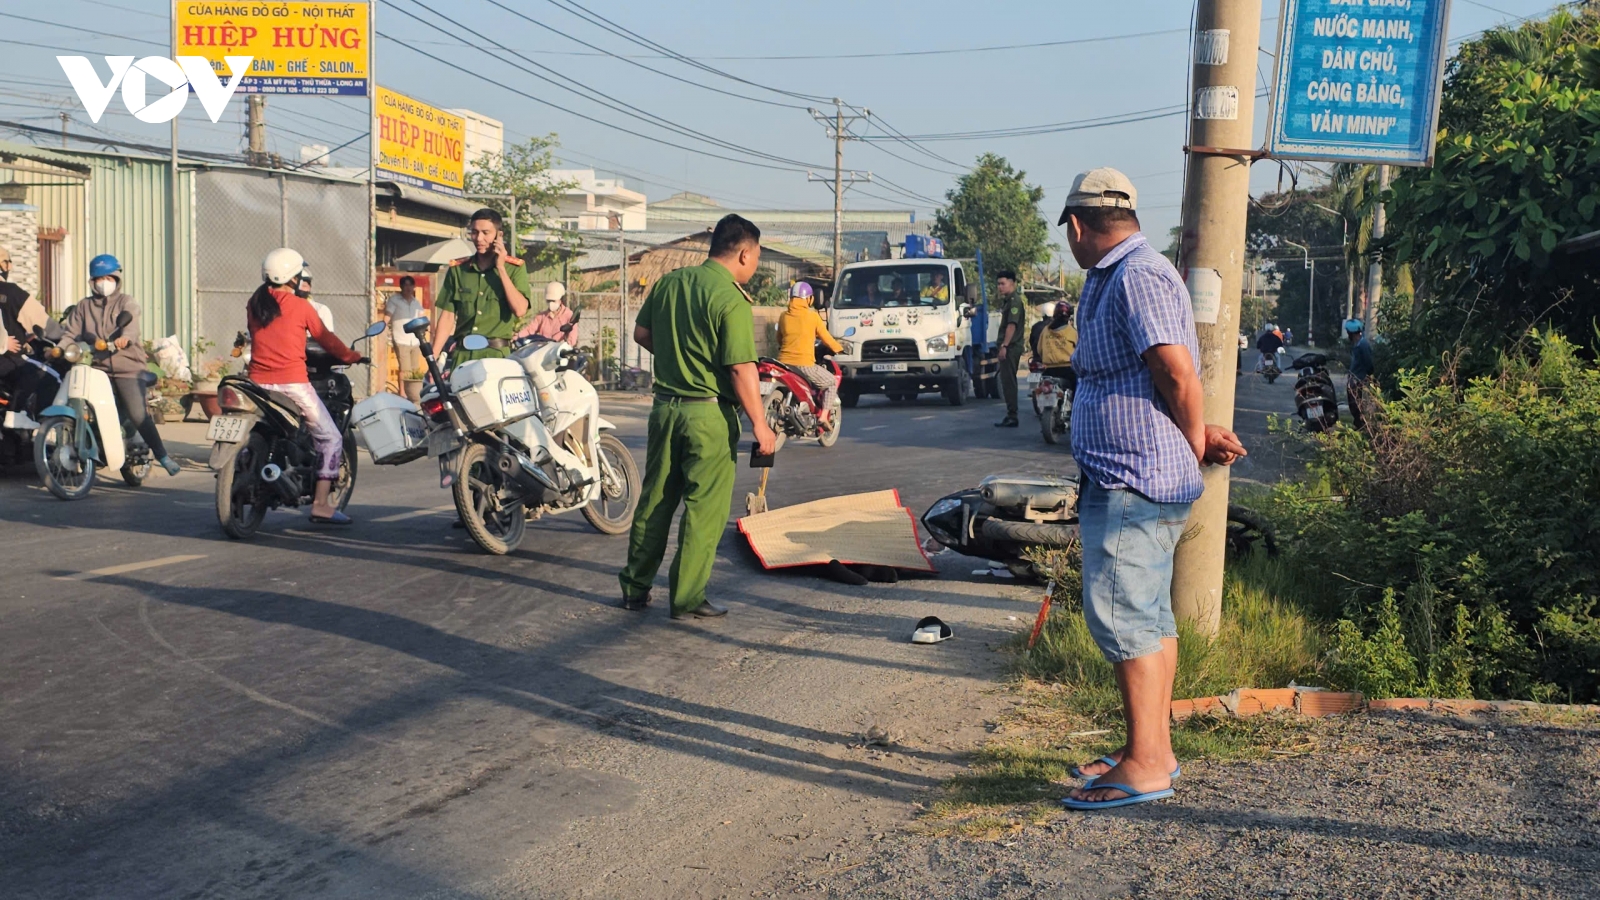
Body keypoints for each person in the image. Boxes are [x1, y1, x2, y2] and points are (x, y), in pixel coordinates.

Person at [1054, 168, 1245, 811]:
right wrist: (1198, 431)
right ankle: (1153, 747)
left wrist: (1192, 437)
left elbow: (1176, 371)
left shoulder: (1136, 275)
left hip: (1134, 478)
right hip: (1132, 471)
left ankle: (1146, 763)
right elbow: (1158, 382)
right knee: (1148, 617)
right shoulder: (1120, 275)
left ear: (1078, 226)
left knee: (1124, 616)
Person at [619, 214, 779, 620]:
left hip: (665, 409)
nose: (755, 265)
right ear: (745, 253)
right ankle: (687, 597)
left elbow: (641, 334)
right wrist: (760, 425)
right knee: (702, 509)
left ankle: (635, 587)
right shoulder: (730, 297)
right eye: (756, 257)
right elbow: (741, 369)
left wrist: (676, 357)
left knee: (655, 501)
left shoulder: (670, 283)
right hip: (707, 415)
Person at [247, 248, 364, 524]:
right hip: (292, 384)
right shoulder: (301, 306)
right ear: (293, 278)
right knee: (331, 437)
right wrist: (351, 356)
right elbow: (327, 340)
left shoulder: (255, 302)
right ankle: (321, 504)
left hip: (256, 384)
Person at [60, 255, 181, 477]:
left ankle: (163, 455)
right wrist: (60, 347)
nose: (103, 282)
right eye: (98, 278)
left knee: (137, 414)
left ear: (117, 277)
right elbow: (70, 333)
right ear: (92, 281)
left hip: (129, 368)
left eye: (108, 277)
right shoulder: (83, 306)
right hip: (97, 367)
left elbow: (132, 326)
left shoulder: (126, 302)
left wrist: (124, 338)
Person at [433, 208, 532, 364]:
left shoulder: (515, 269)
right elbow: (447, 316)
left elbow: (520, 310)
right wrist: (433, 357)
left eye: (486, 233)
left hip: (497, 358)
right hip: (463, 357)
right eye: (474, 232)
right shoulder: (458, 270)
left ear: (499, 236)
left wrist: (501, 268)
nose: (479, 238)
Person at [776, 282, 843, 427]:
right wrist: (839, 348)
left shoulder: (783, 316)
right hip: (804, 365)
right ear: (808, 299)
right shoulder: (812, 317)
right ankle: (824, 416)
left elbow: (779, 339)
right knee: (831, 382)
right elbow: (827, 339)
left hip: (783, 363)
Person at [993, 269, 1027, 427]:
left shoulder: (1014, 301)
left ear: (1012, 283)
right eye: (998, 284)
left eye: (1003, 283)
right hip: (1010, 346)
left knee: (1009, 382)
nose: (1000, 287)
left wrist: (1004, 346)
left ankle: (1013, 415)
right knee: (1006, 381)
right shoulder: (1009, 301)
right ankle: (1010, 413)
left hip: (1011, 347)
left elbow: (1011, 326)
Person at [382, 275, 426, 380]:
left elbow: (421, 318)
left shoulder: (416, 302)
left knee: (415, 370)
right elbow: (388, 315)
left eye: (410, 285)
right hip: (401, 339)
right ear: (401, 286)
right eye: (405, 285)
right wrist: (381, 328)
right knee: (405, 370)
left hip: (415, 340)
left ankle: (413, 395)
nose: (408, 288)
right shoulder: (394, 300)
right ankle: (402, 395)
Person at [1033, 300, 1079, 393]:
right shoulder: (1072, 331)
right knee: (1078, 390)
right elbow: (1079, 350)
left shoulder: (1045, 330)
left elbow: (1039, 349)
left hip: (1048, 370)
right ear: (1068, 317)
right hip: (1067, 370)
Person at [515, 281, 579, 347]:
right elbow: (529, 330)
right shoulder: (541, 316)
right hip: (543, 351)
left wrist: (565, 346)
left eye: (553, 301)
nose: (551, 303)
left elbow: (572, 338)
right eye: (548, 301)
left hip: (559, 352)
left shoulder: (568, 315)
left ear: (561, 299)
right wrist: (518, 336)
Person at [1344, 318, 1372, 430]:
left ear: (1351, 333)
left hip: (1358, 379)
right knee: (1353, 404)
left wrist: (1368, 376)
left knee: (1356, 404)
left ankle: (1361, 426)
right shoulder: (1357, 344)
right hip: (1354, 378)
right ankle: (1358, 425)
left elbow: (1368, 363)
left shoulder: (1363, 345)